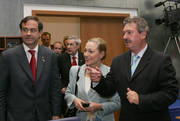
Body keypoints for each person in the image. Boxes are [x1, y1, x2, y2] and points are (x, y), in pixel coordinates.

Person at [87, 17, 179, 121]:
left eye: (129, 32)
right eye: (124, 33)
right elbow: (109, 89)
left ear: (143, 34)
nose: (125, 37)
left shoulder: (161, 60)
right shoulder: (118, 61)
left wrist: (141, 100)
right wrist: (98, 81)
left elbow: (170, 93)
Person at [0, 16, 61, 121]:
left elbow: (55, 89)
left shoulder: (50, 55)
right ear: (21, 31)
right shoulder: (8, 56)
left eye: (33, 30)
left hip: (44, 115)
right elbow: (1, 91)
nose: (28, 33)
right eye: (25, 30)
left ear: (40, 33)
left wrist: (56, 114)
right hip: (16, 116)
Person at [65, 37, 120, 121]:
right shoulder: (75, 70)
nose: (86, 54)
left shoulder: (110, 73)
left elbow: (117, 103)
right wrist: (75, 100)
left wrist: (99, 106)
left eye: (91, 51)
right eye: (85, 50)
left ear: (101, 54)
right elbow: (68, 94)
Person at [57, 36, 85, 117]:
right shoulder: (60, 58)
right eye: (67, 44)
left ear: (78, 46)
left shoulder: (84, 57)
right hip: (67, 95)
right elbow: (55, 76)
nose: (68, 47)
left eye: (71, 45)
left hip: (82, 95)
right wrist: (61, 87)